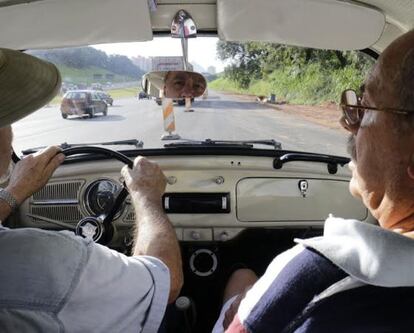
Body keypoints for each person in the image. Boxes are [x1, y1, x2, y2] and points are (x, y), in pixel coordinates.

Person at [210, 29, 414, 333]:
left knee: (241, 280)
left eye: (364, 106)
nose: (348, 124)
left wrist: (250, 303)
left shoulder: (318, 278)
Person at [0, 48, 182, 332]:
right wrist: (146, 195)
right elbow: (166, 282)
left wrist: (13, 193)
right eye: (7, 118)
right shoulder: (52, 261)